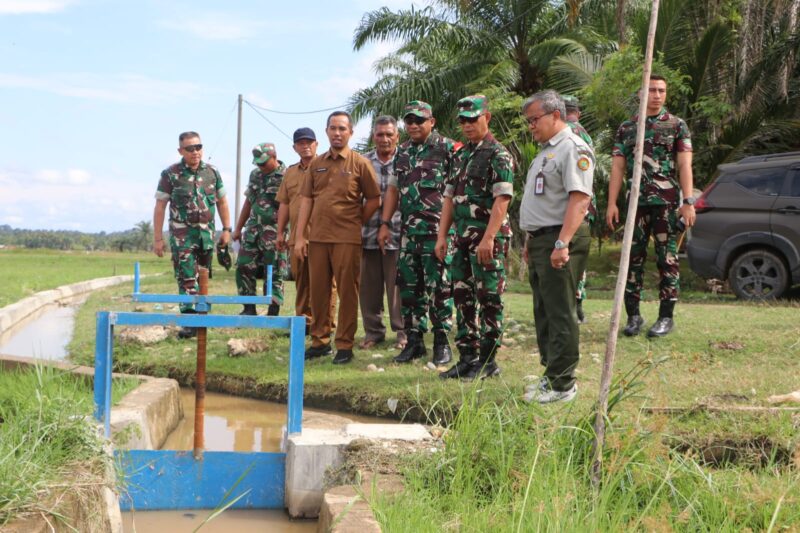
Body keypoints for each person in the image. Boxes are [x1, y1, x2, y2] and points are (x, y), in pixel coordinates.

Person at [606, 75, 695, 338]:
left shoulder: (677, 125)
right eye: (652, 90)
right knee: (631, 261)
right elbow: (618, 167)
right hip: (636, 205)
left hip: (665, 204)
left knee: (667, 261)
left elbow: (684, 165)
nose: (657, 95)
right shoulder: (627, 127)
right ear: (640, 94)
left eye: (662, 90)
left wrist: (688, 202)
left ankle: (665, 318)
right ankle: (633, 316)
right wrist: (612, 202)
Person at [519, 90, 594, 404]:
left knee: (561, 311)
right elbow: (541, 200)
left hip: (560, 238)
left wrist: (562, 242)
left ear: (555, 115)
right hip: (542, 239)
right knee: (545, 311)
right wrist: (529, 241)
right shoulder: (547, 150)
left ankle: (563, 384)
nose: (531, 127)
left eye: (534, 120)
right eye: (529, 122)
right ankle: (552, 376)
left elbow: (580, 199)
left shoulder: (572, 148)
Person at [435, 95, 513, 381]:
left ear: (486, 118)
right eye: (463, 121)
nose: (468, 126)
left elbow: (502, 199)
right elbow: (449, 198)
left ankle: (489, 361)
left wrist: (489, 238)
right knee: (462, 297)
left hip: (486, 240)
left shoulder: (498, 154)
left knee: (489, 297)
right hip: (461, 239)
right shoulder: (460, 155)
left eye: (473, 119)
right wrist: (442, 236)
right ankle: (467, 358)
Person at [294, 111, 381, 365]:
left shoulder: (360, 163)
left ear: (351, 132)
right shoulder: (316, 164)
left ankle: (344, 344)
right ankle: (320, 341)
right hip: (318, 238)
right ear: (327, 131)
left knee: (347, 292)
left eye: (342, 128)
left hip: (347, 239)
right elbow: (307, 201)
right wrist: (300, 237)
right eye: (333, 128)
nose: (337, 133)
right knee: (318, 292)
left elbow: (374, 199)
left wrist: (356, 221)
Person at [378, 101, 457, 366]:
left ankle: (442, 343)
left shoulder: (448, 148)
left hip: (437, 233)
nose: (413, 125)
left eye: (419, 120)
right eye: (409, 121)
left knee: (439, 289)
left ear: (431, 121)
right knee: (410, 290)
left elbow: (456, 189)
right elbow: (392, 189)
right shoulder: (401, 153)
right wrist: (385, 223)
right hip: (408, 234)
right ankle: (414, 342)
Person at [153, 131, 231, 339]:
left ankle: (202, 316)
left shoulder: (212, 173)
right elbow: (160, 206)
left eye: (198, 147)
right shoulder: (170, 174)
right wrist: (158, 239)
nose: (195, 152)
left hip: (206, 235)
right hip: (182, 235)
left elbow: (222, 202)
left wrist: (226, 229)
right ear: (181, 151)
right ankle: (189, 321)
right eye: (190, 148)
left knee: (203, 275)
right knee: (187, 277)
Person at [276, 128, 337, 334]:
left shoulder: (327, 166)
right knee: (301, 282)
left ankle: (327, 322)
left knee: (326, 282)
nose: (305, 146)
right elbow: (284, 203)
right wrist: (279, 232)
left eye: (309, 142)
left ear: (317, 144)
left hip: (324, 234)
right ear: (294, 147)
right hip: (297, 236)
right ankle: (304, 323)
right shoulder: (290, 172)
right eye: (301, 143)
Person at [359, 116, 406, 351]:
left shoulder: (406, 159)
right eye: (380, 134)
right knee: (369, 287)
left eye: (389, 134)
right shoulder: (362, 161)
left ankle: (402, 332)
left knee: (397, 286)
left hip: (398, 233)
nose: (385, 139)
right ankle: (373, 332)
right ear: (373, 136)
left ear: (397, 136)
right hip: (366, 233)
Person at [232, 143, 286, 316]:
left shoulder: (287, 176)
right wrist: (238, 228)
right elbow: (249, 202)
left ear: (274, 157)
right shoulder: (255, 175)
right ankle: (248, 307)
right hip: (253, 231)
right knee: (243, 266)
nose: (260, 167)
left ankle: (273, 309)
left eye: (263, 163)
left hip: (275, 231)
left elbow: (291, 206)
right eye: (258, 163)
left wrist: (284, 233)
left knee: (275, 270)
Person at [563, 95, 596, 324]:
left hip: (568, 207)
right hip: (585, 206)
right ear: (578, 112)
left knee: (564, 255)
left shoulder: (565, 135)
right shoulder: (586, 135)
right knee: (578, 259)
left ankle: (570, 307)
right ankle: (578, 303)